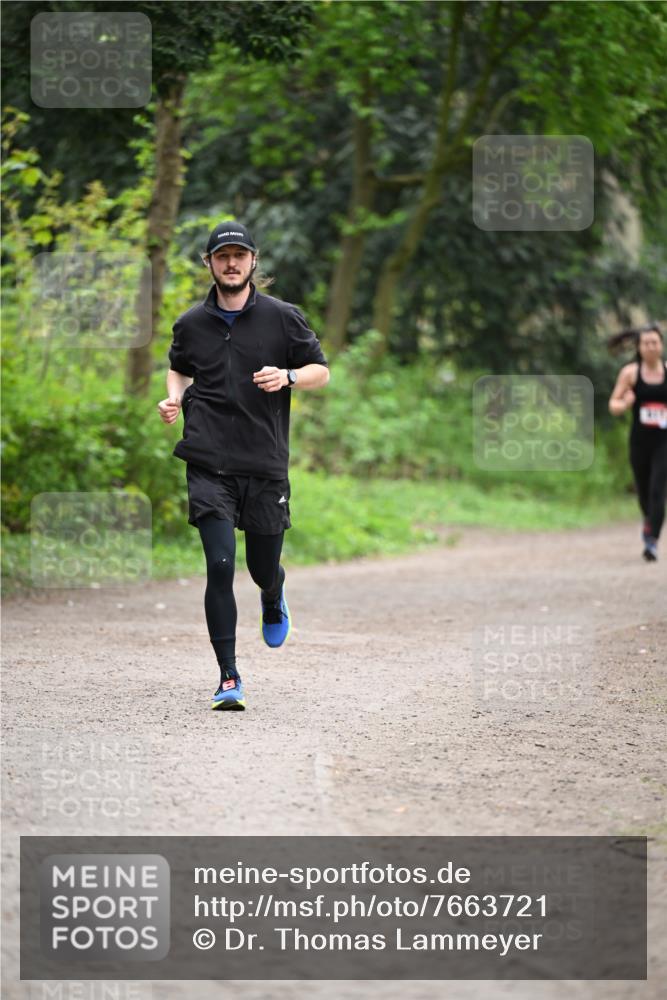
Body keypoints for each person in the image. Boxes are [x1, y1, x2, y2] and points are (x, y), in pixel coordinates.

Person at [157, 222, 329, 709]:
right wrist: (173, 399)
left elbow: (322, 370)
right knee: (220, 564)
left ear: (254, 262)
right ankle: (229, 676)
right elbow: (179, 366)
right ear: (209, 264)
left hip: (264, 463)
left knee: (259, 568)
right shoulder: (191, 323)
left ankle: (273, 593)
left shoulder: (282, 318)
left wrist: (289, 375)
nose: (230, 263)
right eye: (221, 256)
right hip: (208, 460)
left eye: (239, 255)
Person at [608, 322, 667, 561]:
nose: (651, 347)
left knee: (657, 489)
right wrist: (626, 403)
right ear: (639, 347)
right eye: (646, 343)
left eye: (654, 342)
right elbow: (613, 405)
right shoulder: (630, 373)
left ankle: (651, 541)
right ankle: (648, 521)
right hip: (640, 442)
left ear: (661, 345)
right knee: (643, 491)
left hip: (664, 442)